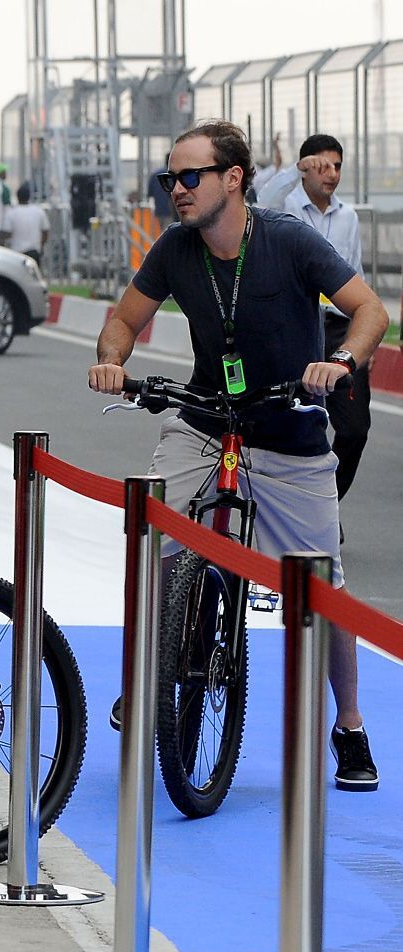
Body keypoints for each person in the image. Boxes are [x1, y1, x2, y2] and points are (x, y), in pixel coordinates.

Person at [88, 119, 389, 791]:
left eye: (190, 176)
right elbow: (122, 320)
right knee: (156, 539)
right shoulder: (175, 248)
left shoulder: (288, 241)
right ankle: (153, 672)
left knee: (325, 588)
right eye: (171, 178)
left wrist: (340, 361)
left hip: (289, 430)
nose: (177, 189)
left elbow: (369, 311)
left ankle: (349, 724)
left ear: (233, 179)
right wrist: (111, 361)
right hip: (205, 421)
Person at [257, 133, 372, 505]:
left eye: (337, 166)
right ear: (306, 168)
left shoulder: (348, 217)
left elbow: (355, 275)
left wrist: (362, 335)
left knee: (354, 430)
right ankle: (294, 505)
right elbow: (262, 199)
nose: (331, 173)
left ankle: (325, 504)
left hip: (337, 331)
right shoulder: (284, 206)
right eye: (322, 166)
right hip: (295, 327)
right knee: (298, 426)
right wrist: (293, 170)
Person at [0, 183, 49, 263]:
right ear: (29, 196)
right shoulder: (38, 211)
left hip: (17, 251)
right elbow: (45, 231)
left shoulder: (11, 213)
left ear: (17, 196)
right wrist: (41, 246)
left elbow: (6, 233)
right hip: (34, 251)